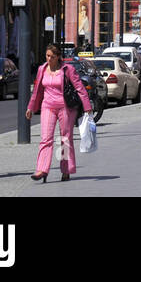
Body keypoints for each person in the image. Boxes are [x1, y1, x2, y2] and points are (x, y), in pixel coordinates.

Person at [25, 42, 93, 182]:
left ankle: (66, 169)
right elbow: (37, 90)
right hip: (47, 106)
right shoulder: (42, 69)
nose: (48, 59)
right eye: (47, 56)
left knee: (65, 139)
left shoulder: (67, 70)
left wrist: (87, 106)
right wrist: (31, 107)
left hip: (65, 107)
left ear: (58, 57)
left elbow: (80, 88)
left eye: (52, 56)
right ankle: (42, 169)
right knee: (45, 138)